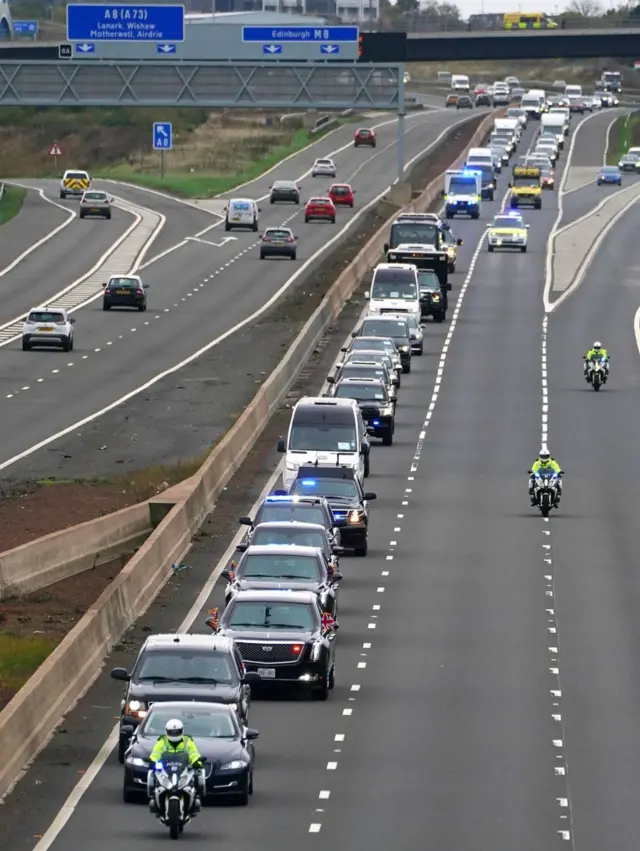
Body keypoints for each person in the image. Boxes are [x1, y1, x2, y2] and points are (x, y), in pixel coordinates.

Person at [147, 718, 205, 814]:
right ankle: (154, 797)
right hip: (166, 770)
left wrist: (196, 762)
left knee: (197, 776)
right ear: (167, 732)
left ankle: (195, 799)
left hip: (182, 769)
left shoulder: (187, 741)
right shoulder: (162, 741)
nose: (174, 734)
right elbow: (155, 753)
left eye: (176, 732)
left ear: (182, 731)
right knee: (152, 775)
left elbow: (193, 753)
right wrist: (152, 761)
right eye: (172, 732)